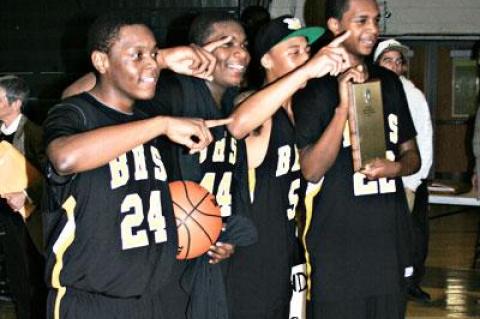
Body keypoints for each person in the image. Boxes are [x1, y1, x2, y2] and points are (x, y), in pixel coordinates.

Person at [43, 13, 227, 319]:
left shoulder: (148, 119)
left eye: (153, 53)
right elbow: (64, 158)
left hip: (151, 301)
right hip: (90, 304)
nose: (152, 63)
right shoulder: (76, 113)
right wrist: (160, 123)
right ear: (101, 62)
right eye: (137, 55)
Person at [292, 0, 421, 318]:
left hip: (389, 246)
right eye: (362, 20)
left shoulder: (389, 82)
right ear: (335, 25)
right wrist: (341, 108)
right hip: (338, 250)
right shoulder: (313, 86)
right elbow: (310, 170)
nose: (374, 29)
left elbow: (412, 156)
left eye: (376, 21)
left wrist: (397, 168)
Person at [226, 15, 351, 318]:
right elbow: (238, 124)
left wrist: (343, 107)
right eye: (293, 52)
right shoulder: (254, 104)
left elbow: (314, 170)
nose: (305, 57)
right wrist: (308, 68)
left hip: (284, 254)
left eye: (306, 50)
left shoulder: (299, 111)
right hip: (248, 261)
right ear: (266, 60)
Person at [374, 38, 433, 303]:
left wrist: (414, 180)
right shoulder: (369, 89)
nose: (395, 66)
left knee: (407, 236)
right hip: (377, 178)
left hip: (405, 177)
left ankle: (407, 283)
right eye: (388, 60)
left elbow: (424, 140)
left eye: (399, 62)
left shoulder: (412, 94)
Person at [0, 74, 47, 319]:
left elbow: (52, 180)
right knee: (16, 281)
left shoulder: (36, 134)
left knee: (32, 283)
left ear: (16, 103)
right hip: (6, 222)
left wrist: (26, 195)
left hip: (29, 223)